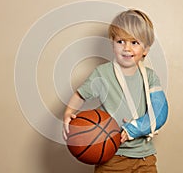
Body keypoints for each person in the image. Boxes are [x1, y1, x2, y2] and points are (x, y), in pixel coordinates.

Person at [63, 9, 168, 173]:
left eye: (134, 42)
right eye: (120, 41)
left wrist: (134, 128)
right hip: (111, 157)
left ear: (146, 49)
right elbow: (80, 94)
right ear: (112, 43)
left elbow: (160, 112)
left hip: (145, 157)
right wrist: (69, 112)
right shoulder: (102, 74)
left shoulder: (150, 77)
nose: (127, 48)